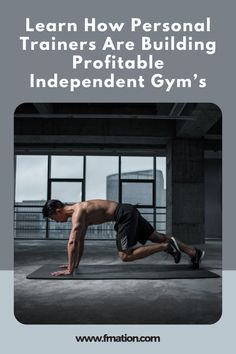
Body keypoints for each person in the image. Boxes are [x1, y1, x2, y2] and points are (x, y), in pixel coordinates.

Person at [42, 199, 205, 276]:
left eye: (52, 218)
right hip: (128, 210)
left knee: (125, 255)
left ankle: (167, 247)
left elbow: (72, 242)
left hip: (123, 215)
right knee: (157, 236)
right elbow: (79, 241)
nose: (55, 221)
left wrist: (70, 271)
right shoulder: (79, 211)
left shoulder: (78, 213)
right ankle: (193, 253)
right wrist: (74, 265)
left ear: (57, 210)